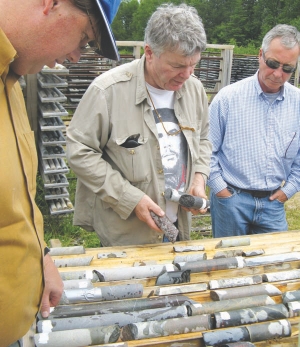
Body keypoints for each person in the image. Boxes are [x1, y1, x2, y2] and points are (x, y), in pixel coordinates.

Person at [0, 0, 121, 345]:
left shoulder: (11, 79)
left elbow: (15, 201)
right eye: (83, 39)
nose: (75, 57)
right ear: (50, 3)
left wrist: (41, 256)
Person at [67, 3, 211, 247]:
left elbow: (204, 138)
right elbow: (79, 152)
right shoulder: (107, 91)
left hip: (177, 227)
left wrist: (199, 179)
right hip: (127, 234)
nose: (186, 75)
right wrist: (129, 199)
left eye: (193, 65)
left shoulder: (194, 89)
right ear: (150, 52)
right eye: (177, 66)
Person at [208, 24, 300, 238]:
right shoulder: (228, 98)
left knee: (276, 263)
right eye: (273, 63)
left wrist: (288, 190)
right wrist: (221, 191)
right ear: (261, 55)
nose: (278, 74)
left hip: (273, 204)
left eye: (288, 68)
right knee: (229, 263)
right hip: (231, 199)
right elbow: (206, 150)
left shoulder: (298, 103)